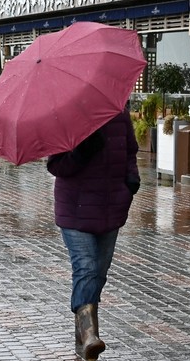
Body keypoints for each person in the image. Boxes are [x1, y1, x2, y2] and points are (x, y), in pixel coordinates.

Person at [46, 108, 140, 361]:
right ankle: (90, 335)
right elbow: (56, 166)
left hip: (112, 207)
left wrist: (131, 179)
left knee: (98, 273)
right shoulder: (67, 115)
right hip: (75, 210)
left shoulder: (118, 111)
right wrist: (81, 152)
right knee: (86, 268)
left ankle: (83, 343)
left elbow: (130, 149)